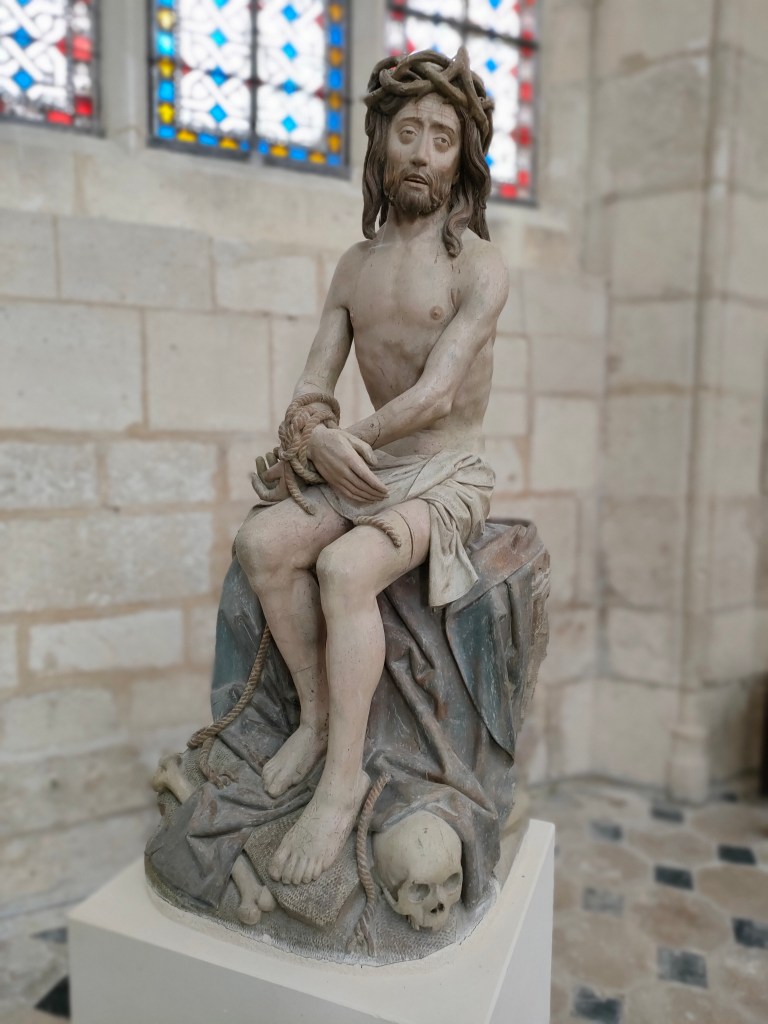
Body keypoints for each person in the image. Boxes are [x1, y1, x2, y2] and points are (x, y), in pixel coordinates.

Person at [234, 48, 509, 887]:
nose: (422, 152)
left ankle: (344, 781)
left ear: (463, 159)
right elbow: (312, 385)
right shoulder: (354, 268)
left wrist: (345, 437)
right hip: (371, 462)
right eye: (408, 132)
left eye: (442, 139)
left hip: (446, 473)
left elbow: (436, 393)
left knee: (347, 568)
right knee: (264, 545)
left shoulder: (479, 267)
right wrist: (314, 434)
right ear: (379, 142)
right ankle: (317, 720)